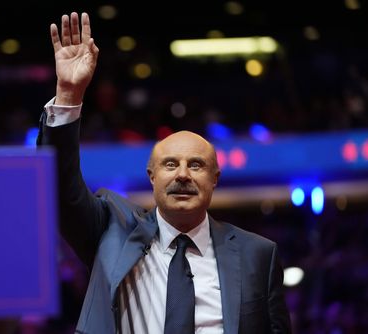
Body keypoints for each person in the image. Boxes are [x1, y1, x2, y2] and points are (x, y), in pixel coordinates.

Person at [37, 12, 292, 334]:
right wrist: (69, 95)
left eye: (196, 165)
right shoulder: (111, 233)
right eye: (170, 164)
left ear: (215, 178)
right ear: (151, 176)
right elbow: (60, 189)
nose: (183, 174)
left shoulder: (258, 254)